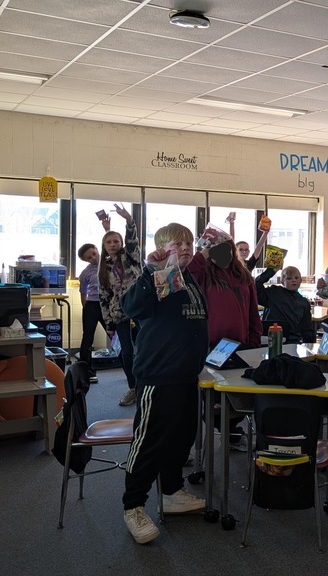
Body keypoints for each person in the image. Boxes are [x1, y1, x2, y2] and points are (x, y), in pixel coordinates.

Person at [120, 222, 209, 545]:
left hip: (187, 376)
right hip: (158, 376)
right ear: (162, 249)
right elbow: (130, 308)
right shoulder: (159, 278)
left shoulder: (190, 280)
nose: (185, 248)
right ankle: (133, 506)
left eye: (188, 243)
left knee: (181, 437)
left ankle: (171, 492)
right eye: (177, 244)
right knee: (149, 443)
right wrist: (151, 271)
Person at [98, 204, 143, 406]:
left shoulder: (131, 257)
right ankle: (133, 387)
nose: (113, 244)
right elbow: (104, 296)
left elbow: (132, 242)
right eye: (109, 242)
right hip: (121, 313)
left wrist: (129, 221)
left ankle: (150, 384)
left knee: (147, 346)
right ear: (104, 245)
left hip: (141, 309)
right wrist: (108, 323)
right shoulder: (104, 267)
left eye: (116, 241)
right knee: (126, 351)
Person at [186, 238, 262, 349]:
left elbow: (253, 311)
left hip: (241, 343)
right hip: (211, 345)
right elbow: (185, 274)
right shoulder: (203, 273)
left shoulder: (243, 275)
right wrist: (201, 255)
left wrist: (255, 341)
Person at [255, 265, 316, 344]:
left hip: (292, 341)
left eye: (296, 278)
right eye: (289, 278)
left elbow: (306, 327)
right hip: (271, 338)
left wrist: (310, 345)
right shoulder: (273, 293)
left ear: (301, 280)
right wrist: (271, 271)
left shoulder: (304, 302)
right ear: (282, 282)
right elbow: (256, 286)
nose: (293, 280)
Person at [77, 243, 102, 384]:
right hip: (92, 304)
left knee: (117, 336)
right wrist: (86, 309)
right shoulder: (85, 273)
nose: (93, 257)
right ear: (86, 260)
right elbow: (83, 292)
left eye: (94, 253)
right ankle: (88, 372)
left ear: (98, 250)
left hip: (108, 304)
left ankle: (131, 369)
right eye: (89, 257)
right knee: (87, 338)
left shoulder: (108, 264)